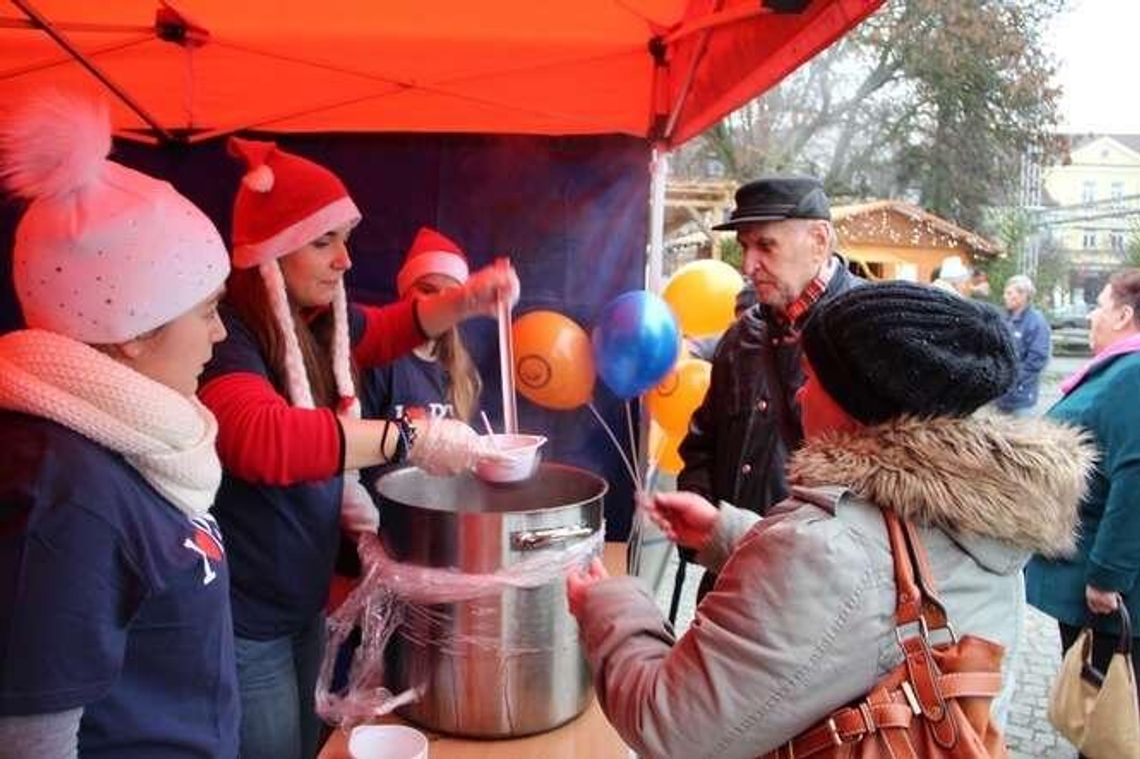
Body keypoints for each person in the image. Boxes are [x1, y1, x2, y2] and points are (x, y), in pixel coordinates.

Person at [567, 282, 1093, 759]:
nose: (799, 393)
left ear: (859, 409)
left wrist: (612, 603)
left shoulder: (824, 548)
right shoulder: (981, 507)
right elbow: (870, 589)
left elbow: (672, 727)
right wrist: (727, 532)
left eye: (813, 379)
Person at [198, 138, 517, 759]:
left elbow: (398, 324)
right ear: (270, 250)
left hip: (303, 597)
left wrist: (471, 298)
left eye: (346, 239)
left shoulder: (321, 323)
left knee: (308, 744)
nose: (345, 261)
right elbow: (257, 438)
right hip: (246, 612)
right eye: (325, 242)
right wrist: (409, 439)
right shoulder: (230, 333)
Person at [0, 93, 238, 756]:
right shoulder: (62, 492)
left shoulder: (130, 437)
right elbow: (31, 742)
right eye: (207, 310)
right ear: (131, 329)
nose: (219, 332)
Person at [677, 176, 859, 519]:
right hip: (731, 564)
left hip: (814, 568)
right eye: (745, 246)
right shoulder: (741, 336)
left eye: (766, 245)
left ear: (819, 241)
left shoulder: (866, 333)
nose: (747, 266)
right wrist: (700, 512)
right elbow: (703, 443)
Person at [1026, 267, 1140, 714]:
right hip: (1097, 575)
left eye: (1100, 306)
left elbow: (1135, 478)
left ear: (1124, 315)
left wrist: (1106, 577)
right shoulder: (1124, 370)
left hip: (1109, 590)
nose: (1093, 315)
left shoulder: (1133, 375)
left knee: (1105, 715)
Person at [362, 226, 483, 424]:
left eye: (451, 296)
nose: (439, 303)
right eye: (427, 290)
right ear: (405, 293)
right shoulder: (379, 361)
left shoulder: (461, 370)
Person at [994, 274, 1050, 417]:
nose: (1005, 297)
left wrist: (1012, 381)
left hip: (1020, 398)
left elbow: (1037, 360)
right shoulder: (1003, 318)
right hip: (998, 396)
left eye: (1009, 293)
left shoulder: (1036, 322)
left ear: (1023, 295)